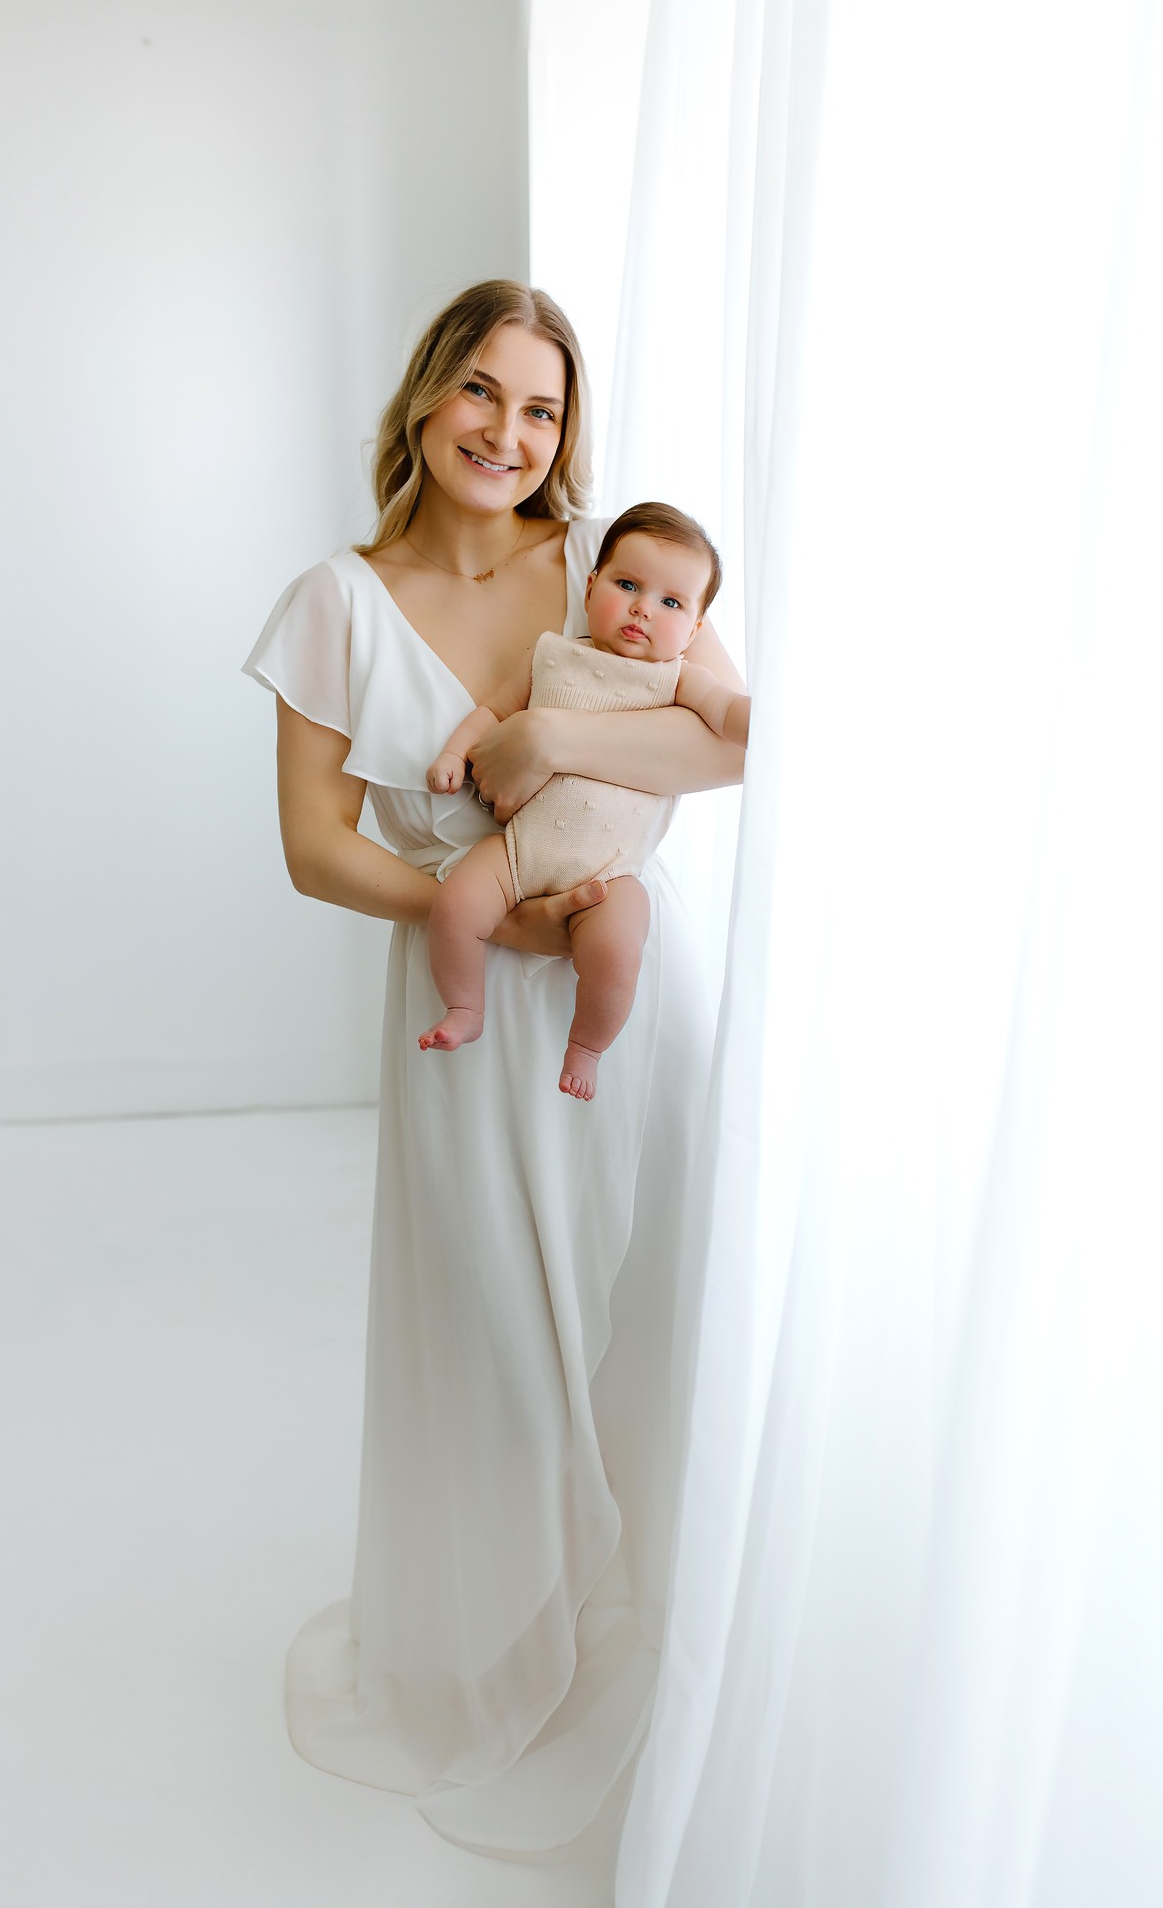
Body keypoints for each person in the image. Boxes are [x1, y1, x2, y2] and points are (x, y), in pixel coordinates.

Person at [242, 280, 745, 1860]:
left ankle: (617, 1624)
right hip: (468, 1002)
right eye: (481, 394)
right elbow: (317, 851)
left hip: (617, 994)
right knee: (487, 1333)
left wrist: (540, 753)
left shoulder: (607, 561)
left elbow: (727, 742)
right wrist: (499, 930)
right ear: (422, 399)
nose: (508, 435)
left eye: (540, 409)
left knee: (619, 1309)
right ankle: (490, 1650)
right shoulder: (338, 597)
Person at [419, 501, 738, 1102]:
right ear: (591, 587)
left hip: (608, 874)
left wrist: (774, 718)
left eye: (672, 603)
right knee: (456, 903)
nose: (644, 607)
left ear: (694, 630)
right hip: (518, 850)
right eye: (627, 585)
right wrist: (451, 756)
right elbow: (491, 711)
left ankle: (586, 1046)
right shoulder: (551, 653)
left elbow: (727, 715)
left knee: (619, 947)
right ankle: (464, 1006)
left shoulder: (678, 679)